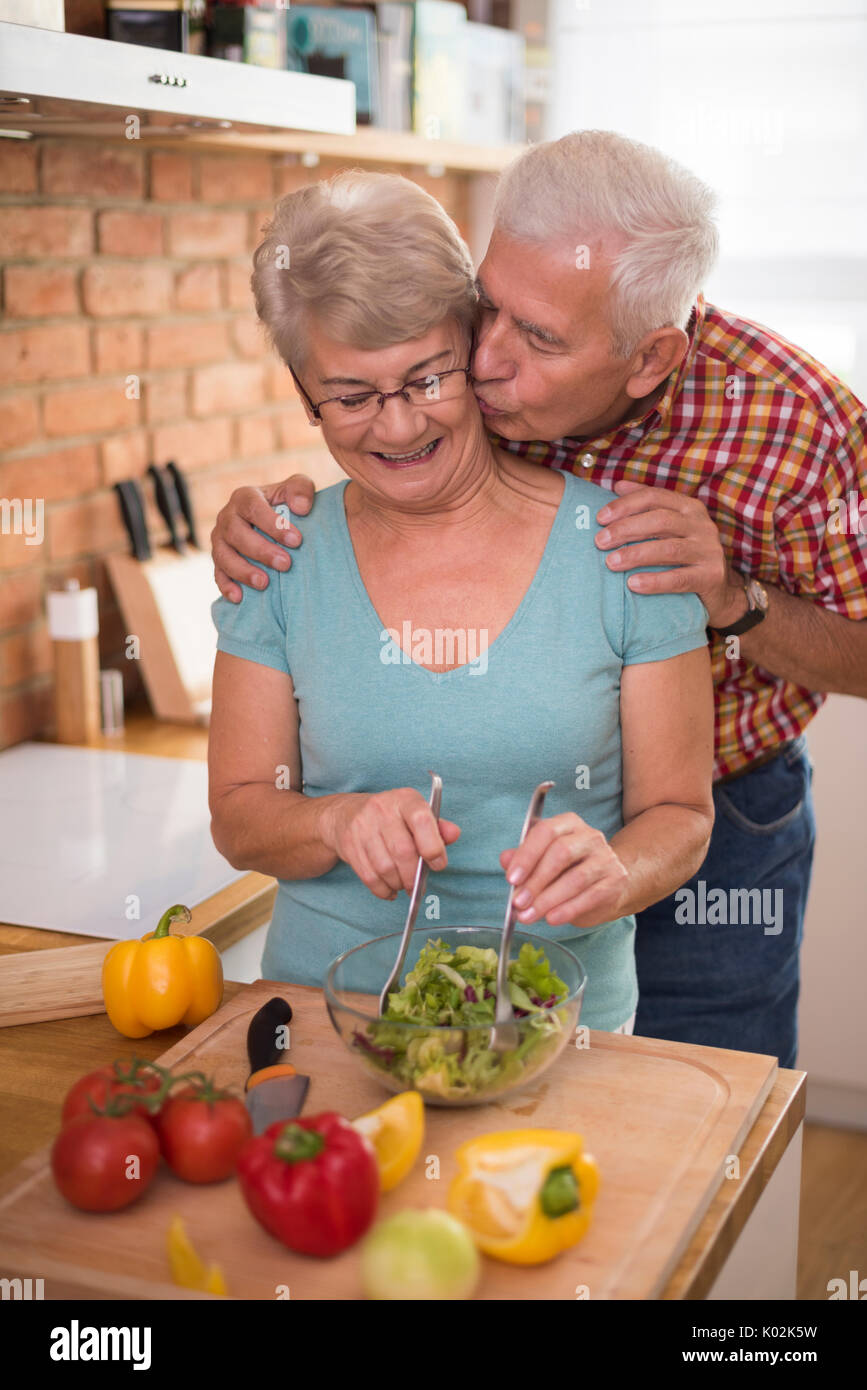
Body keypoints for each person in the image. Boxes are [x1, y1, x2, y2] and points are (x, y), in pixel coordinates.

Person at [211, 132, 867, 1070]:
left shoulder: (793, 426)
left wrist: (731, 594)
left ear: (645, 362)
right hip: (375, 965)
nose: (486, 364)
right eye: (487, 312)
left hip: (728, 798)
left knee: (714, 1097)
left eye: (539, 340)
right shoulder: (358, 483)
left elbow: (691, 801)